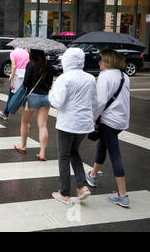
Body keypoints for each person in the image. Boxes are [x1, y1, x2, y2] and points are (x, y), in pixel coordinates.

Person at [48, 48, 97, 204]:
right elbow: (95, 101)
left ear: (67, 60)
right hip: (85, 124)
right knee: (74, 152)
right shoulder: (90, 78)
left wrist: (51, 93)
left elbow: (57, 102)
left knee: (63, 156)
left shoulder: (64, 78)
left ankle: (64, 192)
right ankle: (82, 186)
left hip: (67, 124)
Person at [85, 49, 131, 208]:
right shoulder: (124, 76)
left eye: (101, 60)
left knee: (115, 154)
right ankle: (93, 175)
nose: (99, 63)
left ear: (108, 62)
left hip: (109, 121)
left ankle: (123, 195)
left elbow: (100, 102)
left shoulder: (104, 77)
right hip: (121, 120)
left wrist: (92, 119)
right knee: (102, 145)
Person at [13, 49, 53, 161]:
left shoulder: (31, 64)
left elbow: (25, 83)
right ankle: (42, 152)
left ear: (33, 53)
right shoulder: (48, 64)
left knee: (25, 121)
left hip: (32, 97)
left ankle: (23, 145)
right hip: (45, 97)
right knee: (43, 125)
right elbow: (50, 82)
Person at [0, 47, 29, 121]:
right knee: (24, 96)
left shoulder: (13, 53)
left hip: (16, 76)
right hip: (25, 76)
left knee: (11, 95)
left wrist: (11, 81)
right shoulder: (26, 53)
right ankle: (26, 117)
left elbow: (13, 67)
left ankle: (5, 113)